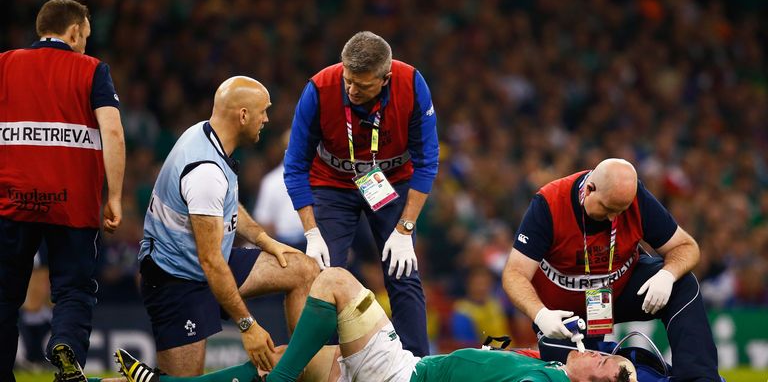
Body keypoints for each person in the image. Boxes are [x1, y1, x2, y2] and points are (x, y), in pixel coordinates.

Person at [113, 266, 636, 382]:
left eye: (605, 361)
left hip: (401, 376)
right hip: (407, 369)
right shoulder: (546, 369)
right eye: (606, 351)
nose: (596, 351)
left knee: (335, 281)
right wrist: (504, 353)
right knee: (304, 362)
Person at [137, 76, 319, 377]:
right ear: (243, 115)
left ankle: (301, 373)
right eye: (263, 111)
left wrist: (264, 240)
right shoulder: (205, 172)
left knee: (303, 269)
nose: (266, 118)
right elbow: (211, 261)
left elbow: (225, 205)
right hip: (178, 282)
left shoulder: (206, 136)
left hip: (205, 265)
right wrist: (248, 326)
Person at [284, 31, 439, 357]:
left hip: (389, 181)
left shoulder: (411, 84)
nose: (352, 90)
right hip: (331, 184)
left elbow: (427, 162)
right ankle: (324, 367)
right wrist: (311, 232)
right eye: (348, 80)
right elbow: (295, 166)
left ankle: (417, 366)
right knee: (323, 275)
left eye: (363, 85)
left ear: (386, 78)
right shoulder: (320, 88)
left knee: (403, 272)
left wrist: (405, 228)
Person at [502, 158, 720, 381]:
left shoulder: (636, 199)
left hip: (618, 291)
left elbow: (686, 247)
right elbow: (514, 273)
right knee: (581, 373)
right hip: (562, 314)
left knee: (683, 284)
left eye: (621, 210)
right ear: (589, 189)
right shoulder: (549, 204)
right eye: (607, 208)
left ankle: (699, 378)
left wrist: (668, 274)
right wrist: (540, 314)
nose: (613, 217)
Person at [0, 0, 125, 382]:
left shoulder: (4, 64)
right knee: (74, 289)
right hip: (72, 204)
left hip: (12, 201)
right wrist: (115, 196)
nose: (86, 44)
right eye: (85, 36)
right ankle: (66, 347)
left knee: (4, 295)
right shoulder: (92, 70)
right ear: (73, 32)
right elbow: (114, 132)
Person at [253, 130, 306, 251]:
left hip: (310, 241)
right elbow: (264, 221)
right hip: (283, 242)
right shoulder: (271, 181)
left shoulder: (315, 177)